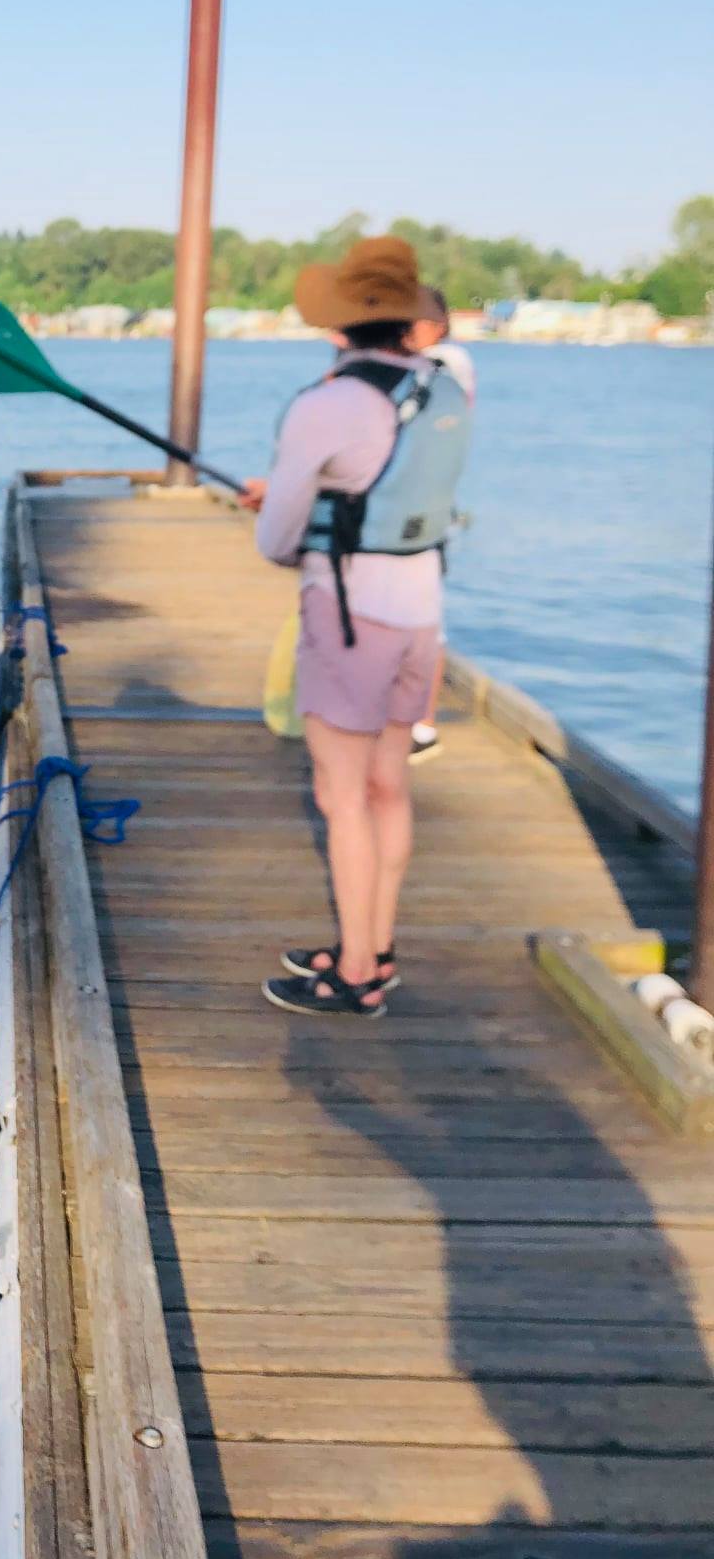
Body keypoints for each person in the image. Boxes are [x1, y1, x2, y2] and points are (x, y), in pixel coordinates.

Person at [240, 237, 471, 1018]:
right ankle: (375, 945)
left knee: (342, 796)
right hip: (422, 615)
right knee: (388, 785)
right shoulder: (448, 387)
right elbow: (387, 483)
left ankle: (356, 975)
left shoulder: (325, 403)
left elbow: (277, 541)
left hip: (348, 619)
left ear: (339, 321)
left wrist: (284, 506)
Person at [405, 285, 477, 762]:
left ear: (434, 327)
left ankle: (423, 726)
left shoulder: (448, 363)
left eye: (408, 325)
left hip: (424, 517)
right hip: (414, 510)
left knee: (425, 626)